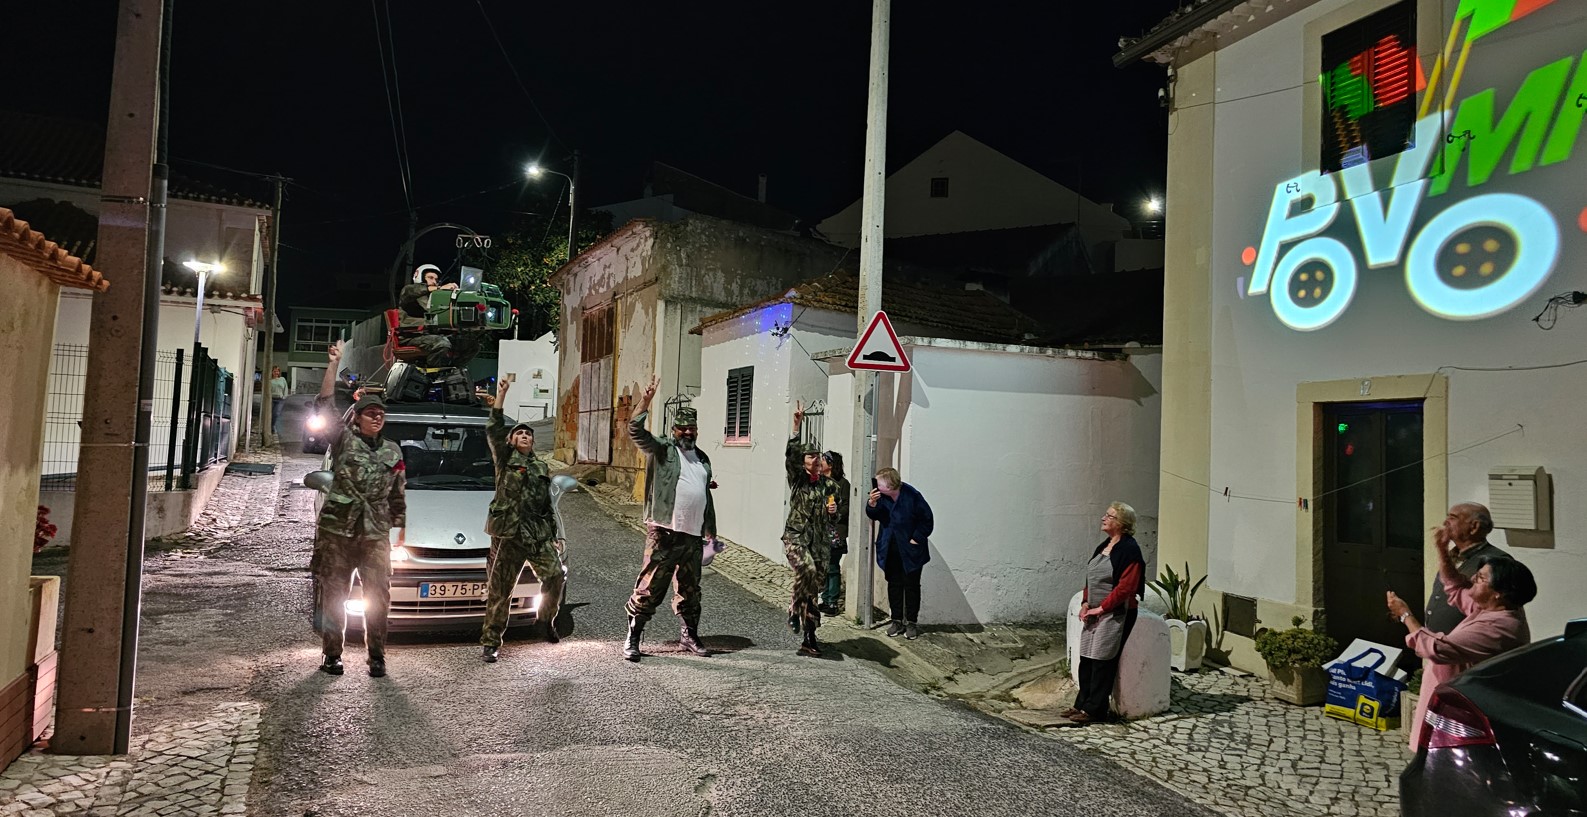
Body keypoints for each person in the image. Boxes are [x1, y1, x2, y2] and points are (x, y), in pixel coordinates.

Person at [1388, 529, 1534, 751]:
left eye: (1482, 578)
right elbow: (1455, 587)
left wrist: (1405, 615)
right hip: (1446, 706)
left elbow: (1437, 648)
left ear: (1498, 592)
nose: (1473, 578)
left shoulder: (1499, 627)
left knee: (1442, 771)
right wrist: (1442, 551)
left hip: (1459, 717)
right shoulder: (1489, 608)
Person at [311, 340, 406, 678]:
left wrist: (398, 525)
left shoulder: (393, 451)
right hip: (338, 533)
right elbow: (324, 405)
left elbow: (398, 493)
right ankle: (332, 655)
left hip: (375, 537)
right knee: (335, 597)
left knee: (379, 599)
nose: (377, 417)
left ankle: (377, 656)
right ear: (360, 417)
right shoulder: (343, 440)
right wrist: (333, 364)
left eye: (381, 413)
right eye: (370, 413)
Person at [623, 374, 716, 662]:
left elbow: (704, 492)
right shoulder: (662, 449)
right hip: (664, 530)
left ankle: (689, 636)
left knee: (690, 590)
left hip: (692, 535)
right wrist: (646, 401)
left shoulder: (702, 458)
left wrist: (711, 532)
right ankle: (634, 637)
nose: (688, 433)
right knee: (650, 587)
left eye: (692, 428)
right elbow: (635, 431)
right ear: (674, 429)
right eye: (683, 428)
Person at [477, 378, 565, 662]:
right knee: (500, 591)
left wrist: (555, 534)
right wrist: (501, 394)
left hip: (537, 534)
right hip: (511, 535)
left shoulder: (541, 466)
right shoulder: (504, 459)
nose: (525, 435)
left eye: (528, 433)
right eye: (519, 434)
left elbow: (547, 504)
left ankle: (545, 620)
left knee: (555, 575)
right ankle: (491, 642)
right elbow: (493, 428)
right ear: (511, 441)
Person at [1065, 502, 1146, 724]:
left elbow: (1126, 587)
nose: (1103, 518)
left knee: (1102, 660)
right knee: (1087, 658)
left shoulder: (1129, 549)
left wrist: (1102, 608)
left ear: (1121, 524)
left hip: (1115, 613)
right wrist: (1085, 603)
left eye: (1109, 516)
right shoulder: (1104, 546)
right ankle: (1081, 704)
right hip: (1094, 611)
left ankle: (1095, 710)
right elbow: (1091, 578)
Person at [866, 466, 933, 640]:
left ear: (889, 485)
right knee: (894, 584)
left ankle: (911, 622)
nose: (876, 486)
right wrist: (872, 504)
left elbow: (927, 519)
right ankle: (896, 620)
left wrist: (916, 538)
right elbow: (875, 514)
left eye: (879, 483)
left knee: (911, 586)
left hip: (910, 550)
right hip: (890, 548)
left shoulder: (912, 496)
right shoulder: (882, 497)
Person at [1423, 502, 1509, 637]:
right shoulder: (1451, 556)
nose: (1445, 522)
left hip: (1467, 646)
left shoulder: (1496, 561)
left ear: (1474, 527)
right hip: (1441, 644)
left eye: (1453, 517)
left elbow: (1492, 606)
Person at [817, 451, 850, 616]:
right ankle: (825, 597)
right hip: (820, 531)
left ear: (830, 464)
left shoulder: (843, 484)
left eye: (823, 460)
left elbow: (847, 508)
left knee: (832, 567)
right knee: (824, 567)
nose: (819, 462)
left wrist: (835, 511)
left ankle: (833, 602)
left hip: (835, 532)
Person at [268, 366, 289, 437]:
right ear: (272, 372)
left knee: (276, 413)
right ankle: (269, 427)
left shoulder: (282, 379)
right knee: (270, 414)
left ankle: (272, 426)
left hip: (280, 399)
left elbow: (285, 388)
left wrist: (284, 396)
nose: (276, 373)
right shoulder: (269, 380)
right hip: (271, 399)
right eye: (274, 371)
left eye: (277, 371)